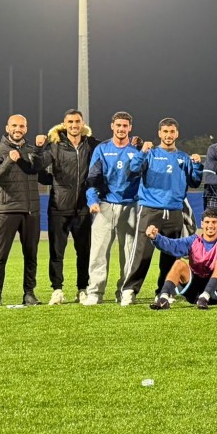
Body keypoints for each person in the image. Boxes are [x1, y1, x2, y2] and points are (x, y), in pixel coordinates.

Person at [121, 118, 204, 306]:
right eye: (165, 131)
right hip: (151, 209)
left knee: (170, 254)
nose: (168, 135)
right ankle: (129, 290)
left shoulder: (183, 157)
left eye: (172, 131)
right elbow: (133, 170)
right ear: (159, 133)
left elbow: (195, 181)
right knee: (142, 253)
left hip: (174, 211)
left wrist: (198, 166)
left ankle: (164, 291)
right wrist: (142, 152)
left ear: (177, 133)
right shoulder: (150, 153)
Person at [39, 109, 101, 305]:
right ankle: (57, 290)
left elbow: (112, 151)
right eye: (70, 122)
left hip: (83, 208)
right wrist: (53, 180)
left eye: (77, 121)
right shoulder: (55, 145)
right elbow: (37, 168)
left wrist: (136, 144)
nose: (74, 125)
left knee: (84, 252)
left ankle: (82, 289)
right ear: (64, 124)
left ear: (83, 124)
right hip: (58, 207)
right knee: (56, 252)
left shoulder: (91, 144)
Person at [0, 114, 47, 307]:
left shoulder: (30, 150)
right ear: (7, 128)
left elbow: (42, 175)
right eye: (14, 125)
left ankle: (29, 294)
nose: (18, 129)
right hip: (6, 210)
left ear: (26, 129)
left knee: (31, 256)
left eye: (21, 126)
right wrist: (8, 161)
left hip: (31, 211)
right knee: (0, 256)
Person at [85, 111, 142, 305]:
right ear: (112, 126)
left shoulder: (137, 150)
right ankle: (95, 292)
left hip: (130, 205)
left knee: (129, 252)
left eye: (125, 126)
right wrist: (92, 201)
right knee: (99, 251)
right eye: (118, 125)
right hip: (105, 205)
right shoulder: (102, 149)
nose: (121, 129)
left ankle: (126, 291)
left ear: (130, 128)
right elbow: (93, 177)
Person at [146, 209, 217, 309]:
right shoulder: (193, 240)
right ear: (202, 224)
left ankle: (205, 297)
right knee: (179, 263)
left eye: (214, 222)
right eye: (207, 222)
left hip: (215, 292)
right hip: (194, 290)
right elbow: (173, 245)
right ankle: (163, 298)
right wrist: (156, 238)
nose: (210, 225)